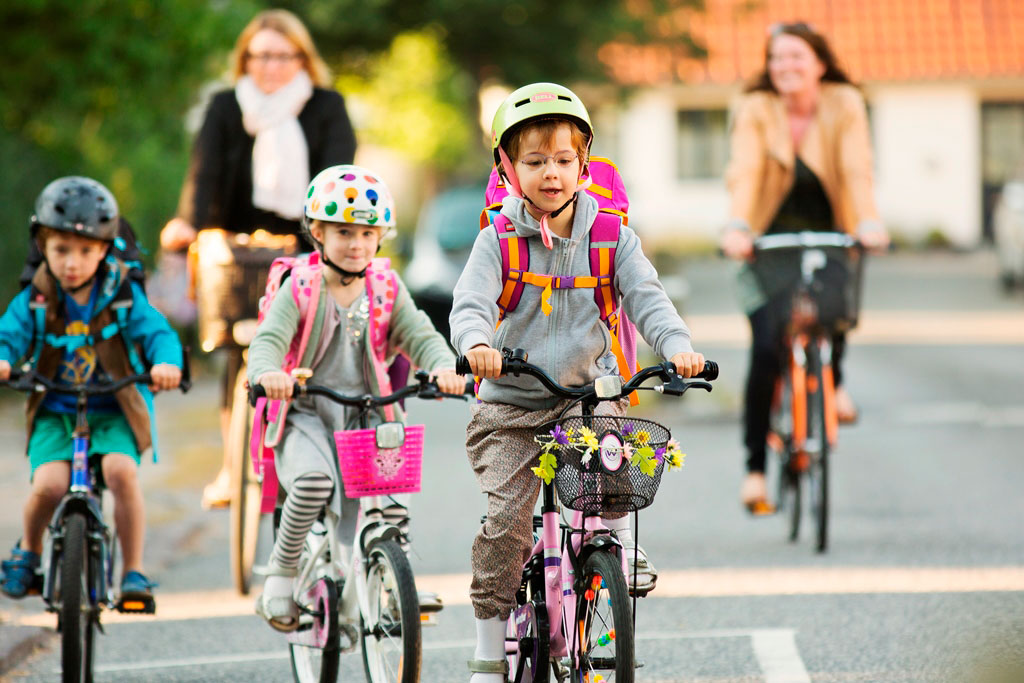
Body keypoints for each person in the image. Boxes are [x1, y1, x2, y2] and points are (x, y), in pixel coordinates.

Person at [451, 83, 706, 681]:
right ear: (508, 169)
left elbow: (649, 298)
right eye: (535, 162)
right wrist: (477, 346)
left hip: (587, 400)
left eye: (564, 160)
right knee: (507, 526)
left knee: (613, 472)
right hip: (510, 407)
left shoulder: (613, 235)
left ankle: (610, 548)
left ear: (584, 164)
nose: (551, 174)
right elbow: (469, 303)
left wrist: (680, 348)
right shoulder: (498, 240)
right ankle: (489, 653)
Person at [247, 165, 463, 631]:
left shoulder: (385, 287)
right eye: (343, 232)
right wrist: (268, 374)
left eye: (368, 232)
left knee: (388, 500)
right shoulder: (301, 287)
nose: (356, 243)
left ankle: (392, 584)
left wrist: (442, 367)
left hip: (368, 412)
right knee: (310, 484)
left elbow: (420, 335)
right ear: (317, 233)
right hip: (306, 411)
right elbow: (267, 342)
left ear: (381, 235)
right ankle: (282, 577)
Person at [161, 8, 357, 509]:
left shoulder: (326, 107)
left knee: (315, 350)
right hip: (235, 247)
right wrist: (189, 221)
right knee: (239, 352)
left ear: (302, 59)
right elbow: (202, 171)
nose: (270, 66)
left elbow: (337, 174)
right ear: (245, 58)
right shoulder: (227, 106)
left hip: (305, 243)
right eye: (259, 55)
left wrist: (333, 240)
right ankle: (232, 468)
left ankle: (315, 457)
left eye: (281, 56)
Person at [719, 22, 889, 512]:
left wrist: (869, 223)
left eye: (796, 57)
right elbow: (746, 170)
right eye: (777, 58)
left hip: (829, 227)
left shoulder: (845, 102)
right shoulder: (756, 108)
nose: (785, 67)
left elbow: (858, 168)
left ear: (819, 62)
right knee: (768, 345)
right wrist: (737, 227)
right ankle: (755, 471)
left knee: (835, 304)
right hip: (767, 234)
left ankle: (833, 382)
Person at [0, 177, 183, 602]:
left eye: (85, 251)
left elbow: (158, 333)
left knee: (122, 472)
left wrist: (166, 363)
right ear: (42, 246)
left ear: (104, 250)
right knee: (49, 484)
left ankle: (134, 571)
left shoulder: (121, 295)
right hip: (56, 408)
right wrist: (5, 358)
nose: (72, 263)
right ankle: (28, 551)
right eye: (61, 250)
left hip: (113, 406)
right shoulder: (36, 299)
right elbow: (9, 334)